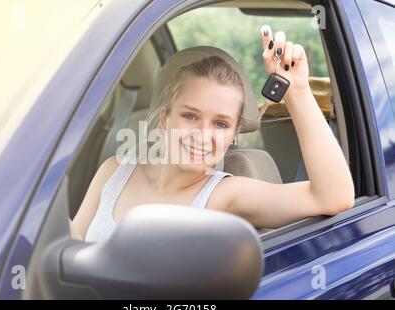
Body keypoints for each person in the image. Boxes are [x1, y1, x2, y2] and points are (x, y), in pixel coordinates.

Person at [73, 25, 355, 243]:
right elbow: (63, 254)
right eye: (190, 116)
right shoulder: (114, 171)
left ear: (233, 134)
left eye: (220, 124)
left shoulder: (225, 195)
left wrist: (298, 92)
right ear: (164, 119)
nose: (202, 134)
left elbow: (333, 196)